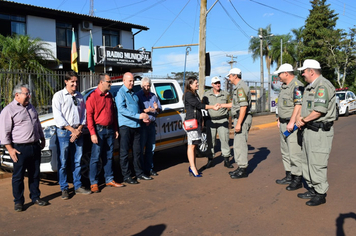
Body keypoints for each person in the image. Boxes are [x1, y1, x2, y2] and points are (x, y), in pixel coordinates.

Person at [0, 84, 48, 212]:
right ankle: (19, 201)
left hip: (34, 146)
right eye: (26, 94)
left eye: (29, 93)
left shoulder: (31, 107)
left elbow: (37, 124)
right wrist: (10, 149)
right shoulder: (8, 110)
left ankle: (35, 197)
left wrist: (42, 138)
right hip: (20, 148)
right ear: (17, 95)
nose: (29, 96)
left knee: (35, 174)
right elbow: (4, 133)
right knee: (18, 176)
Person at [295, 59, 336, 206]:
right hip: (309, 130)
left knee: (317, 163)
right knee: (307, 161)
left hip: (319, 131)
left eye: (304, 71)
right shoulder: (310, 87)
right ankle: (312, 188)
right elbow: (306, 108)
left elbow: (319, 110)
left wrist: (303, 120)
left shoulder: (322, 86)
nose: (303, 74)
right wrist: (301, 118)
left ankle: (320, 193)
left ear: (311, 71)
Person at [52, 71, 91, 199]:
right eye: (72, 81)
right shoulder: (58, 96)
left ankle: (78, 185)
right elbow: (58, 117)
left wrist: (78, 129)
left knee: (77, 160)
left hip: (78, 132)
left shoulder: (80, 96)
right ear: (66, 81)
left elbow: (83, 116)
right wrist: (71, 130)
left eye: (76, 81)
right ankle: (64, 188)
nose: (75, 84)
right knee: (63, 162)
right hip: (64, 132)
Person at [86, 74, 125, 193]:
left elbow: (113, 114)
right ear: (101, 82)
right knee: (95, 157)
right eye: (108, 82)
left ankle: (109, 179)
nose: (110, 84)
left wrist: (115, 129)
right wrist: (92, 133)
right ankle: (94, 182)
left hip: (109, 130)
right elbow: (89, 116)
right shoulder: (93, 96)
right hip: (99, 131)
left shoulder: (109, 96)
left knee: (109, 156)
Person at [115, 72, 151, 184]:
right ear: (124, 80)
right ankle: (126, 176)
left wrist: (143, 117)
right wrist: (138, 116)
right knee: (124, 153)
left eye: (133, 81)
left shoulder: (134, 94)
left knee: (137, 151)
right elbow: (121, 110)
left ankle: (139, 173)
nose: (132, 83)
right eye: (129, 81)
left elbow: (138, 109)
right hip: (125, 127)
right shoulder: (120, 93)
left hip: (136, 126)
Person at [273, 64, 304, 191]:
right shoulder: (284, 87)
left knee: (294, 152)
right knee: (285, 151)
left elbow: (299, 105)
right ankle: (289, 175)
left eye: (280, 74)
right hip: (284, 123)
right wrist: (280, 118)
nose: (278, 76)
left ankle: (297, 179)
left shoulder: (297, 85)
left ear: (286, 73)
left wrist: (291, 122)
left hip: (292, 125)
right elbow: (283, 105)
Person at [184, 77, 219, 177]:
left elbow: (199, 108)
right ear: (190, 84)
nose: (197, 84)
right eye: (195, 83)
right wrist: (212, 107)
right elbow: (199, 106)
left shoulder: (195, 94)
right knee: (191, 145)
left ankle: (192, 166)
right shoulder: (188, 94)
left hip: (197, 123)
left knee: (194, 145)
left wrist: (202, 121)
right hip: (191, 123)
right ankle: (192, 167)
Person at [221, 68, 252, 179]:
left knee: (240, 144)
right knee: (238, 144)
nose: (229, 79)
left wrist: (238, 123)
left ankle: (243, 169)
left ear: (235, 76)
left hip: (242, 118)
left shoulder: (240, 88)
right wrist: (222, 105)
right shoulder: (238, 87)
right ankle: (240, 167)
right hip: (239, 117)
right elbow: (235, 105)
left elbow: (243, 107)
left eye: (230, 76)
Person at [202, 76, 233, 169]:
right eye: (215, 83)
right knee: (210, 141)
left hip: (222, 119)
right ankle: (210, 159)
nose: (218, 84)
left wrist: (230, 120)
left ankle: (226, 160)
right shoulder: (206, 95)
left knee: (224, 139)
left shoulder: (225, 94)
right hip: (210, 120)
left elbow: (231, 105)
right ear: (212, 85)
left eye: (219, 82)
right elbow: (203, 107)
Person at [136, 77, 162, 176]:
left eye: (148, 86)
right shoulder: (137, 96)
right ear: (141, 86)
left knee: (151, 148)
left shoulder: (153, 96)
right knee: (141, 148)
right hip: (142, 125)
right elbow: (136, 111)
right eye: (145, 86)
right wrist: (146, 111)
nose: (147, 88)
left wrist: (156, 108)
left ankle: (149, 168)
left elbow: (159, 109)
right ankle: (142, 170)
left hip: (151, 125)